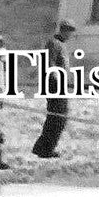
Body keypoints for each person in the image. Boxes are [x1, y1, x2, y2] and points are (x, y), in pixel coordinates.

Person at [31, 19, 76, 158]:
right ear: (64, 30)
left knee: (57, 117)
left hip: (59, 84)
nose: (70, 35)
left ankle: (43, 147)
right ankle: (45, 148)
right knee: (58, 117)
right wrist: (57, 83)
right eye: (69, 31)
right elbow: (49, 64)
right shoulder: (54, 44)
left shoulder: (61, 44)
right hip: (54, 85)